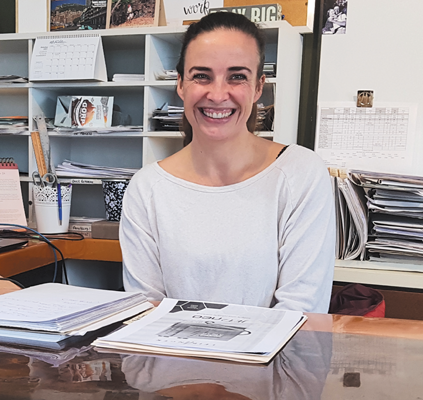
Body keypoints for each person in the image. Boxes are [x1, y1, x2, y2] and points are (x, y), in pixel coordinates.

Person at [119, 12, 335, 313]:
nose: (218, 94)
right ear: (181, 84)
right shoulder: (147, 189)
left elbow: (301, 313)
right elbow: (145, 311)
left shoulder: (301, 173)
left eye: (237, 77)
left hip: (275, 359)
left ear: (259, 87)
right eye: (201, 76)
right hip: (173, 359)